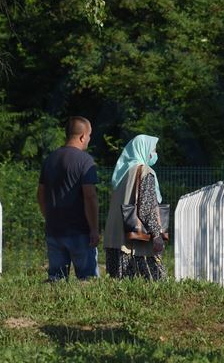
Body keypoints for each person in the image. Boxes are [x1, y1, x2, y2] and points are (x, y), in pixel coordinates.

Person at [37, 116, 99, 281]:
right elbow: (90, 196)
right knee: (88, 280)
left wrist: (48, 217)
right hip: (79, 231)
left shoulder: (50, 160)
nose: (89, 139)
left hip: (54, 230)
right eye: (89, 135)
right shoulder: (85, 161)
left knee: (55, 279)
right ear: (82, 136)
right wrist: (94, 228)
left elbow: (41, 194)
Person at [103, 134, 167, 280]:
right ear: (143, 150)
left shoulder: (122, 173)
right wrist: (157, 235)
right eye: (153, 150)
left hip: (115, 242)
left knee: (119, 292)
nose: (154, 155)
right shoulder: (145, 172)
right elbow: (146, 208)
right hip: (135, 246)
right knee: (154, 286)